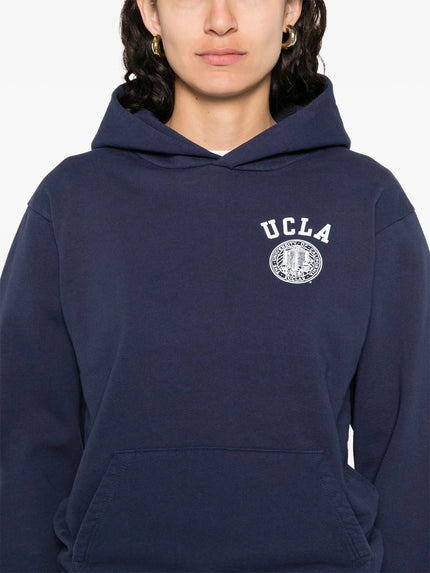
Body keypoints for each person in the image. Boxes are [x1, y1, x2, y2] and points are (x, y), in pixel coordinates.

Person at [0, 0, 429, 572]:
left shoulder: (366, 201)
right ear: (151, 13)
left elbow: (409, 442)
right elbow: (25, 442)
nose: (220, 20)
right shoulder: (73, 201)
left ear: (291, 11)